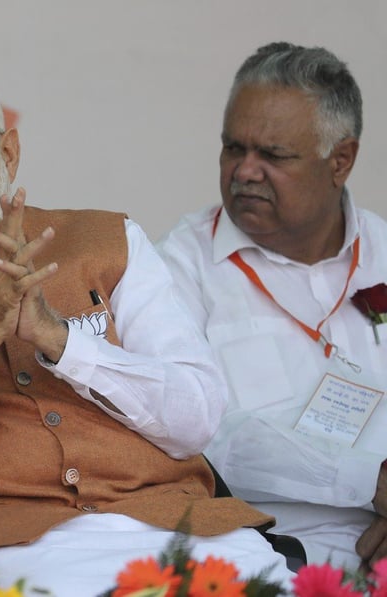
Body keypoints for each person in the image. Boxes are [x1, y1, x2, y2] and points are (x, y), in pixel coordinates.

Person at [0, 65, 295, 596]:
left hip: (189, 530)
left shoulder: (110, 240)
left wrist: (59, 340)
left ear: (8, 154)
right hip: (11, 553)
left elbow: (196, 418)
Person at [157, 42, 387, 570]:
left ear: (341, 160)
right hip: (263, 552)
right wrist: (371, 483)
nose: (245, 172)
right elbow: (200, 435)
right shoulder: (174, 267)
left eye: (273, 156)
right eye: (233, 148)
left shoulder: (382, 251)